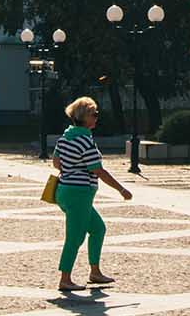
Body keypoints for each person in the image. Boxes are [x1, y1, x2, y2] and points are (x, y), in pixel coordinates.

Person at [53, 96, 132, 292]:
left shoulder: (65, 137)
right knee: (75, 237)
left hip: (65, 191)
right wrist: (121, 189)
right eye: (93, 114)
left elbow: (56, 162)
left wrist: (71, 169)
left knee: (98, 228)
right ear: (83, 117)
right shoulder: (85, 141)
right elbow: (98, 170)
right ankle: (65, 279)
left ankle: (95, 272)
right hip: (78, 194)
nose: (97, 117)